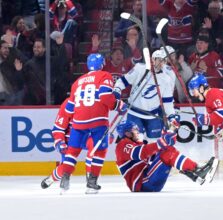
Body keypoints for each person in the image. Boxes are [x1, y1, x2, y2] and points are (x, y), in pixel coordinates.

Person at [58, 53, 127, 194]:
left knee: (73, 151)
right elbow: (105, 97)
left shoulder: (77, 82)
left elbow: (70, 108)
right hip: (97, 120)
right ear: (101, 64)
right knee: (100, 151)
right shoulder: (105, 76)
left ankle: (65, 178)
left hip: (78, 121)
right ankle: (92, 182)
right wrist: (118, 105)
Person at [115, 120, 219, 192]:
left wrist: (169, 132)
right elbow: (142, 153)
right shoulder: (122, 145)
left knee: (167, 150)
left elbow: (155, 154)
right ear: (127, 133)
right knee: (167, 152)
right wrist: (164, 141)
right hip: (142, 184)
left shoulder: (134, 144)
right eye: (134, 130)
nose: (137, 132)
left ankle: (194, 172)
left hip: (148, 181)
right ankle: (196, 170)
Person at [113, 49, 178, 141]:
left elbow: (167, 101)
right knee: (136, 140)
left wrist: (171, 115)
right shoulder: (139, 68)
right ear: (153, 59)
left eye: (163, 60)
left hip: (152, 115)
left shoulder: (166, 79)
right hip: (134, 112)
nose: (161, 63)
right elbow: (123, 81)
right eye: (159, 59)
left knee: (155, 142)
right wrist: (117, 89)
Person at [40, 98, 94, 189]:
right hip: (70, 140)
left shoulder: (95, 100)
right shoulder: (68, 103)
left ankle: (91, 179)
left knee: (95, 148)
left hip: (86, 137)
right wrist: (60, 141)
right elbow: (58, 128)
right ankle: (51, 178)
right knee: (67, 169)